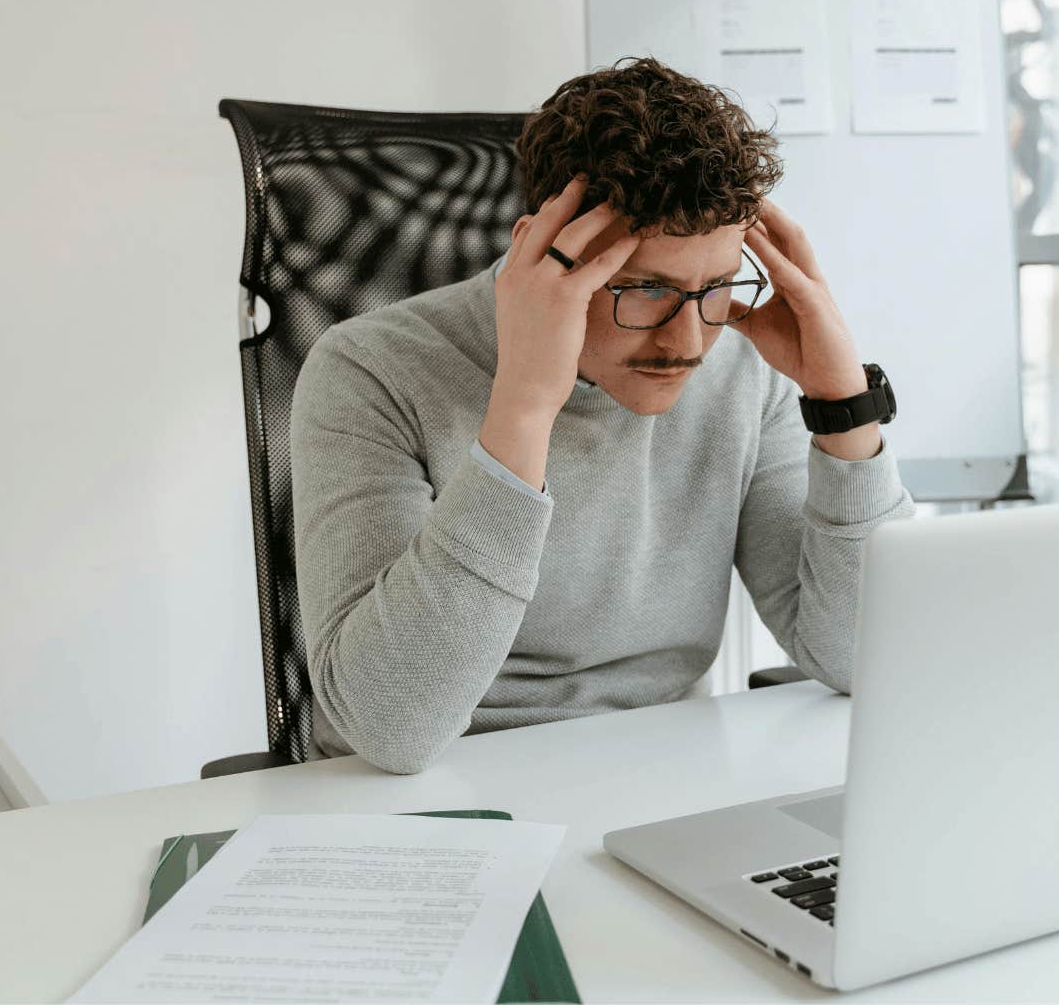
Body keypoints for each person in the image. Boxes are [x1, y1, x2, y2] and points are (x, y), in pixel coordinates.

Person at [290, 57, 916, 773]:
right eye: (644, 291)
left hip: (656, 782)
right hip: (431, 798)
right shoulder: (371, 369)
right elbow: (390, 729)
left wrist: (843, 407)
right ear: (541, 253)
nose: (687, 343)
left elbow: (864, 661)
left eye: (715, 288)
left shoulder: (744, 368)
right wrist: (524, 406)